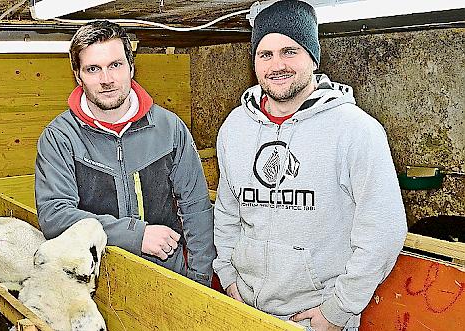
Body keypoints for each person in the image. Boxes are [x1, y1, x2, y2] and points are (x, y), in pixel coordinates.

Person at [212, 0, 407, 330]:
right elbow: (228, 212)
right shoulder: (235, 127)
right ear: (255, 61)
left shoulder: (356, 130)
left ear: (313, 57)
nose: (277, 64)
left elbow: (383, 230)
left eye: (290, 51)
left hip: (313, 317)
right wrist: (229, 276)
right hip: (245, 305)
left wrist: (339, 309)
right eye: (265, 54)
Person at [35, 20, 214, 286]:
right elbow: (55, 215)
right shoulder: (60, 137)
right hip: (99, 279)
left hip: (168, 273)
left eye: (115, 65)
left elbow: (196, 208)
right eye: (93, 69)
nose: (106, 79)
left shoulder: (169, 128)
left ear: (131, 67)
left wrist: (200, 280)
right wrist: (136, 235)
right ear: (78, 75)